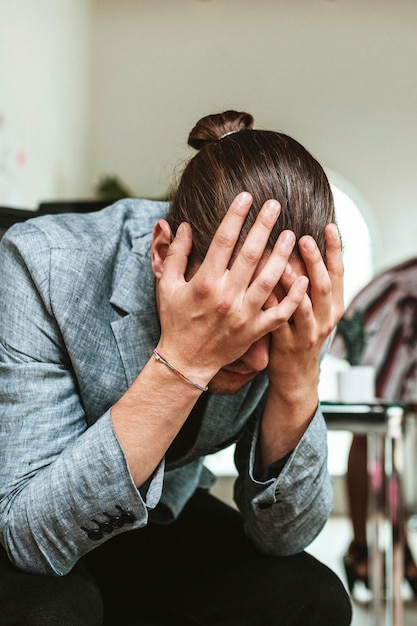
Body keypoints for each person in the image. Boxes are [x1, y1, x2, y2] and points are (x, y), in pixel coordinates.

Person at [0, 110, 351, 626]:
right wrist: (185, 361)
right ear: (165, 252)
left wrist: (298, 379)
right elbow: (30, 541)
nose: (259, 359)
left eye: (272, 328)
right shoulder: (42, 263)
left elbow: (285, 538)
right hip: (29, 508)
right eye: (236, 319)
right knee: (51, 613)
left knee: (311, 599)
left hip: (158, 510)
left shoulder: (298, 307)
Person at [330, 257, 417, 597]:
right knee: (371, 429)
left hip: (406, 320)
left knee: (392, 436)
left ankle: (396, 548)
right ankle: (364, 549)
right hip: (389, 314)